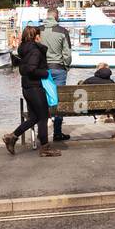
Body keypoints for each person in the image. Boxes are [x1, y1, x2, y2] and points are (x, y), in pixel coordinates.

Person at [3, 26, 62, 157]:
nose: (41, 37)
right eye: (39, 35)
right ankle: (45, 148)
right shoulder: (35, 50)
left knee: (34, 117)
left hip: (27, 88)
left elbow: (23, 69)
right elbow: (31, 69)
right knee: (43, 117)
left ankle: (12, 137)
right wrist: (45, 73)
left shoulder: (24, 49)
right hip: (35, 87)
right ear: (36, 36)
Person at [41, 8, 75, 142]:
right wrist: (66, 66)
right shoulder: (62, 31)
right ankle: (57, 132)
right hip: (59, 68)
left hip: (43, 69)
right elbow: (67, 53)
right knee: (58, 100)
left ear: (47, 16)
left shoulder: (38, 30)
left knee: (43, 100)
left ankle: (42, 133)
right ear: (57, 16)